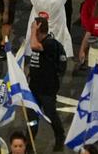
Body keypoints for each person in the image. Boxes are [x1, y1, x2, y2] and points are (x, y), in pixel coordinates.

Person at [27, 14, 66, 151]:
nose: (31, 29)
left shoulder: (50, 43)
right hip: (34, 88)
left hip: (47, 90)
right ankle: (29, 144)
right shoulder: (41, 43)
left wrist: (33, 31)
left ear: (38, 29)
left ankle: (60, 136)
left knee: (50, 114)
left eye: (33, 26)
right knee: (32, 117)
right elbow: (36, 60)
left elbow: (33, 46)